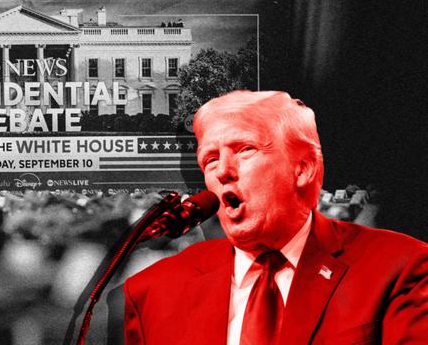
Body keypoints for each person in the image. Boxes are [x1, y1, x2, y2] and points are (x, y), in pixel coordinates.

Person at [124, 91, 427, 344]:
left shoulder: (401, 267)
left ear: (303, 168)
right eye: (211, 159)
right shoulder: (151, 290)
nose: (222, 171)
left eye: (245, 150)